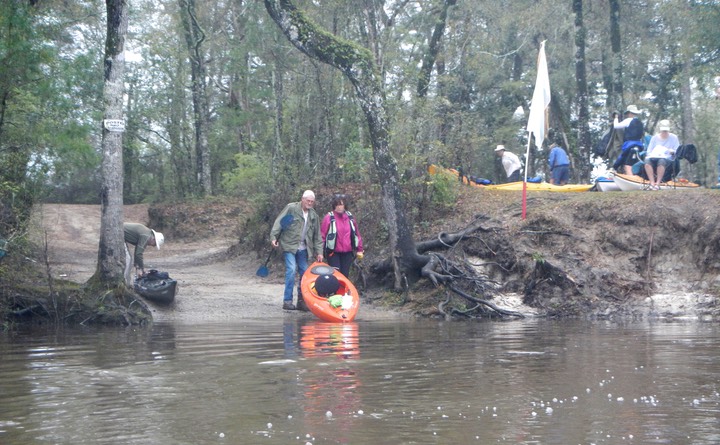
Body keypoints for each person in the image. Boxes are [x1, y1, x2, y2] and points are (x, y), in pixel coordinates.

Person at [270, 190, 323, 311]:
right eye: (308, 201)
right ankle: (287, 300)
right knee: (292, 269)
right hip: (290, 246)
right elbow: (278, 223)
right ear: (302, 199)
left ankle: (301, 301)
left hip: (304, 248)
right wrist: (273, 238)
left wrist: (319, 252)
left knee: (305, 273)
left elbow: (317, 236)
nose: (309, 203)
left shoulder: (314, 216)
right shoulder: (291, 208)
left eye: (312, 202)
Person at [321, 194, 364, 278]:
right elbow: (322, 236)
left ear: (345, 205)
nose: (339, 207)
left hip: (347, 252)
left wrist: (360, 249)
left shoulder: (350, 217)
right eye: (337, 204)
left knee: (345, 275)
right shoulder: (329, 217)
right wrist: (320, 252)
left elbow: (357, 234)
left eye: (341, 204)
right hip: (333, 252)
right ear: (334, 205)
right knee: (335, 275)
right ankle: (334, 291)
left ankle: (343, 291)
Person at [643, 119, 680, 190]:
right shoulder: (654, 138)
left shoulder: (674, 138)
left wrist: (671, 151)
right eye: (663, 131)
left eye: (666, 131)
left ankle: (658, 183)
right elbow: (649, 151)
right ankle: (652, 183)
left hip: (667, 158)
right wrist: (653, 154)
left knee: (661, 161)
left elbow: (677, 151)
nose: (664, 132)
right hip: (654, 157)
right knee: (647, 162)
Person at [612, 105, 645, 175]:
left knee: (626, 163)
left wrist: (616, 118)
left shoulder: (628, 120)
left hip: (629, 144)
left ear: (630, 113)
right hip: (639, 144)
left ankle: (628, 176)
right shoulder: (640, 123)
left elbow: (616, 126)